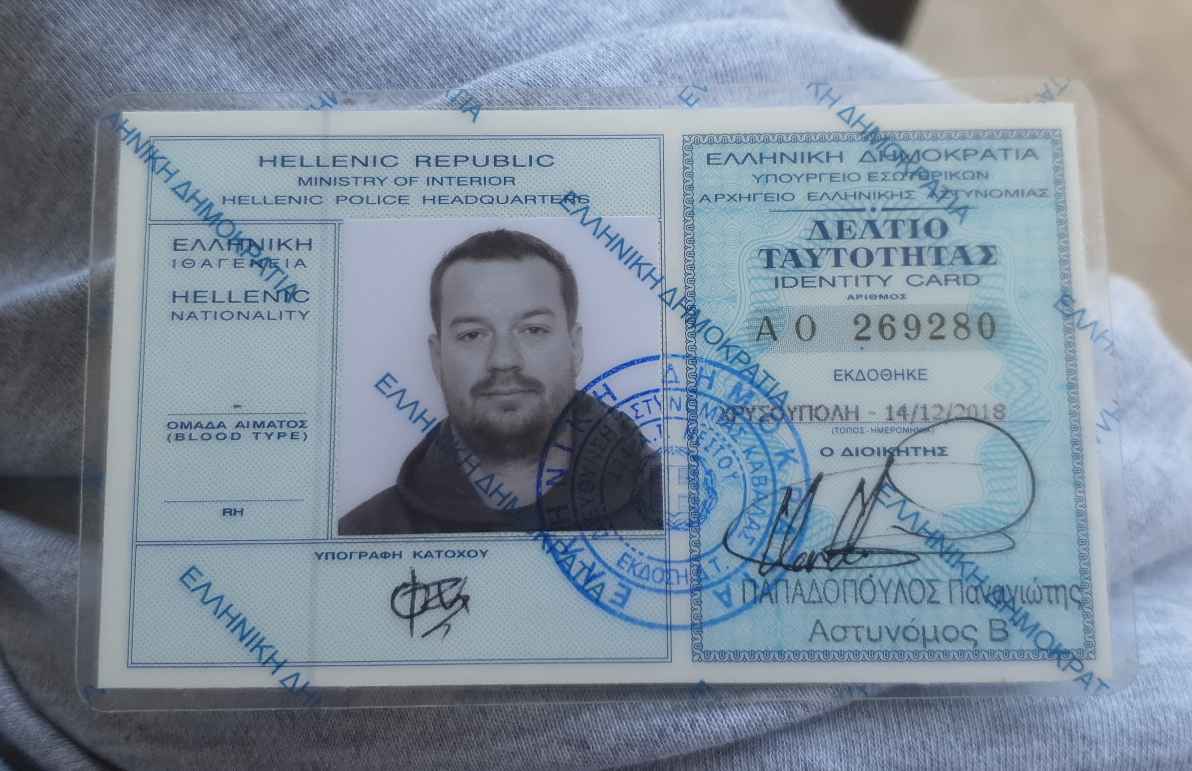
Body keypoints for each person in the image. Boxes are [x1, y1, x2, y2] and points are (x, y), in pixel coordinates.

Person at [338, 229, 663, 535]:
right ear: (437, 359)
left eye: (533, 330)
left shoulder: (674, 512)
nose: (503, 359)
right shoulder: (363, 534)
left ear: (575, 348)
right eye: (472, 335)